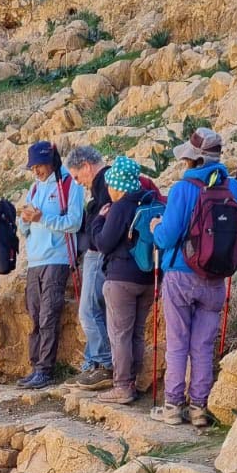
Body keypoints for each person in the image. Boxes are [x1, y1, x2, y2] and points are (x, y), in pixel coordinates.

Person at [149, 127, 237, 425]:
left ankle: (174, 407)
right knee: (202, 344)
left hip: (179, 275)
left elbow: (167, 237)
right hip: (215, 277)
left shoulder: (182, 189)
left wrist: (154, 228)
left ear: (193, 160)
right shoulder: (232, 188)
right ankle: (199, 408)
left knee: (178, 342)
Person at [17, 140, 85, 390]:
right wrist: (25, 220)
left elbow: (74, 222)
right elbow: (25, 228)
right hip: (35, 260)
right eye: (33, 167)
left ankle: (45, 369)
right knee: (35, 315)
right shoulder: (34, 189)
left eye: (40, 165)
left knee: (48, 314)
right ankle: (36, 367)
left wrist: (42, 217)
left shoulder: (69, 185)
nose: (36, 171)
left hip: (58, 258)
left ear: (51, 162)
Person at [88, 155, 155, 404]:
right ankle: (133, 382)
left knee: (119, 335)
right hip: (146, 277)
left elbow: (103, 243)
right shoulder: (147, 200)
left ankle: (122, 387)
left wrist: (99, 220)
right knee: (136, 333)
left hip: (121, 279)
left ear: (117, 185)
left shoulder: (120, 207)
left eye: (110, 185)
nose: (108, 189)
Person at [66, 144, 111, 386]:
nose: (78, 182)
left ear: (86, 166)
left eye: (77, 176)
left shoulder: (103, 182)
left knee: (88, 312)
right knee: (96, 311)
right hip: (104, 255)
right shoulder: (109, 181)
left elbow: (101, 222)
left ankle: (104, 364)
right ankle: (94, 362)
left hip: (97, 253)